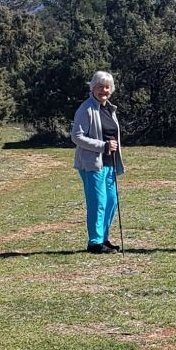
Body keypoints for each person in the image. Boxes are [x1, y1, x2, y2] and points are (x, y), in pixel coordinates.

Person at [72, 71, 125, 254]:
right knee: (98, 202)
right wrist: (102, 146)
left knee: (111, 201)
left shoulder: (109, 109)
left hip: (109, 163)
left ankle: (103, 238)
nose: (104, 90)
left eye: (107, 87)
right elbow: (76, 137)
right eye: (100, 86)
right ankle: (94, 242)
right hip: (92, 164)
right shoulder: (85, 109)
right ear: (93, 88)